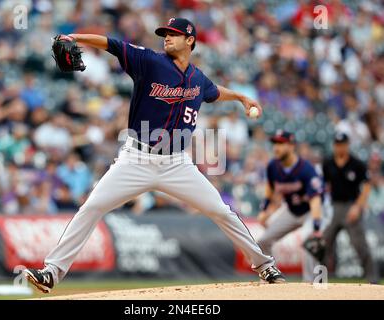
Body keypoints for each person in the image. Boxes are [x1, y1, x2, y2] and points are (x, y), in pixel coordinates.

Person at [23, 18, 285, 293]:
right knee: (91, 208)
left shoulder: (198, 78)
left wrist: (241, 98)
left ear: (190, 40)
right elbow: (112, 44)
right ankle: (51, 272)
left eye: (174, 34)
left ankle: (264, 265)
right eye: (165, 34)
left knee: (221, 211)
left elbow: (214, 92)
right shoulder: (149, 61)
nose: (167, 37)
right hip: (136, 159)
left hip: (177, 164)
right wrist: (75, 37)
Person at [257, 130, 324, 281]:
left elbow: (316, 200)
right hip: (291, 211)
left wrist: (317, 226)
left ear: (292, 146)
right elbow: (270, 189)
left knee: (310, 241)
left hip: (310, 212)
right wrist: (264, 209)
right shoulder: (273, 167)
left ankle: (311, 286)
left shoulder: (306, 169)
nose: (276, 147)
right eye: (275, 143)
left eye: (281, 143)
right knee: (263, 241)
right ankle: (270, 279)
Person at [322, 132, 378, 283]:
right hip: (334, 207)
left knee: (360, 244)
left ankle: (372, 280)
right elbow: (325, 186)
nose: (340, 148)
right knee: (324, 243)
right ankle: (320, 280)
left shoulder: (357, 163)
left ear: (347, 145)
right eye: (337, 145)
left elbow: (366, 186)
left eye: (342, 144)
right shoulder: (328, 163)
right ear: (334, 146)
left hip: (351, 206)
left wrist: (358, 207)